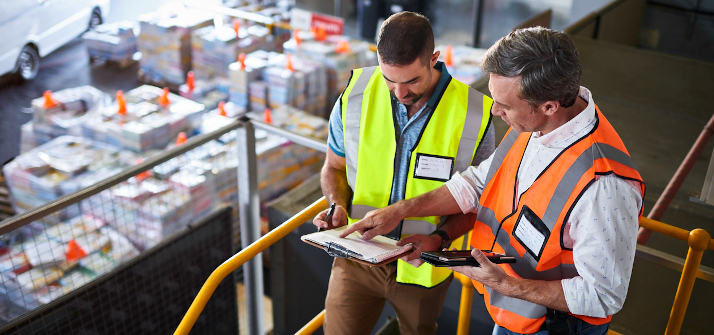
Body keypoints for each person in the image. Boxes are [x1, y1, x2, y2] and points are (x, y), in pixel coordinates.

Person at [341, 27, 645, 335]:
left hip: (555, 326)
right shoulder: (535, 123)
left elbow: (603, 296)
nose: (494, 110)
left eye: (504, 105)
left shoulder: (605, 187)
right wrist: (402, 210)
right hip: (515, 314)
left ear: (549, 106)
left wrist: (505, 284)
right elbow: (477, 183)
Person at [312, 11, 495, 335]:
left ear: (434, 59)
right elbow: (334, 166)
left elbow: (480, 202)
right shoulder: (354, 95)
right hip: (356, 254)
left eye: (411, 80)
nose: (399, 92)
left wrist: (440, 239)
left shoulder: (475, 114)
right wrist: (336, 204)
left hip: (422, 269)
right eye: (389, 80)